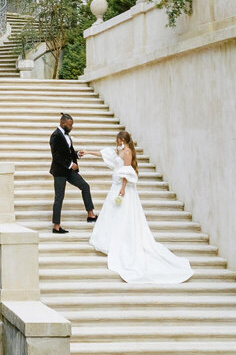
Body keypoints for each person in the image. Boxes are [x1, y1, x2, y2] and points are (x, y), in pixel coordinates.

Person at [89, 128, 191, 285]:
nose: (116, 142)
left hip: (122, 188)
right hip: (115, 186)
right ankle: (109, 240)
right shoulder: (120, 150)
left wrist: (123, 189)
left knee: (123, 214)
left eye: (118, 140)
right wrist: (88, 152)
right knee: (112, 213)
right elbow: (107, 154)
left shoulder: (127, 152)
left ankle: (122, 242)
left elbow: (126, 171)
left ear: (122, 140)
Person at [49, 113, 95, 234]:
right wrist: (71, 165)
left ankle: (91, 215)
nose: (71, 127)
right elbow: (57, 156)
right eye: (70, 125)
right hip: (59, 171)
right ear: (63, 123)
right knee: (59, 197)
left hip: (69, 171)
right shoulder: (55, 136)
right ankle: (56, 226)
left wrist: (77, 154)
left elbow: (68, 152)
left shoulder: (66, 135)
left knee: (85, 186)